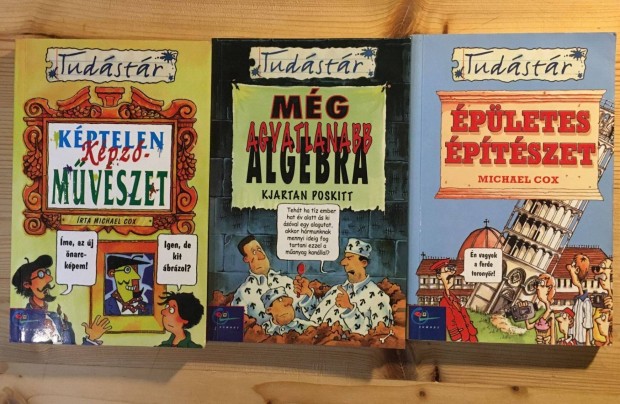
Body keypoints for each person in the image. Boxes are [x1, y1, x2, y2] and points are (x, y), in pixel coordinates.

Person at [294, 238, 393, 335]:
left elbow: (378, 336)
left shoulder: (378, 298)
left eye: (349, 258)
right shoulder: (336, 290)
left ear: (363, 263)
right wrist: (308, 294)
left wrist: (349, 309)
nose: (343, 263)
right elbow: (316, 317)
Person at [11, 254, 111, 345]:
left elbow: (73, 354)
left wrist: (91, 338)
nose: (50, 278)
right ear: (27, 284)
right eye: (41, 275)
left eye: (47, 272)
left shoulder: (59, 318)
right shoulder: (21, 320)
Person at [231, 235, 303, 326]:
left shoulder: (287, 281)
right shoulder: (243, 293)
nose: (261, 256)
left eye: (259, 250)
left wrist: (307, 295)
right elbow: (236, 325)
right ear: (246, 259)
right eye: (254, 252)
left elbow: (309, 314)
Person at [433, 258, 478, 342]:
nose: (450, 274)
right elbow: (450, 323)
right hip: (463, 338)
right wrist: (457, 339)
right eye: (446, 271)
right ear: (439, 276)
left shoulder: (454, 298)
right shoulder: (444, 302)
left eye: (451, 271)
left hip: (471, 334)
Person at [520, 273, 555, 345]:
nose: (538, 288)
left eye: (542, 285)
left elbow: (553, 338)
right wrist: (525, 313)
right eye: (537, 285)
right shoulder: (543, 313)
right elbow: (529, 327)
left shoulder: (551, 314)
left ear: (549, 288)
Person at [566, 253, 593, 345]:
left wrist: (587, 343)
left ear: (577, 270)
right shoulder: (578, 300)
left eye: (572, 267)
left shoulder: (586, 302)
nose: (570, 269)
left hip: (582, 341)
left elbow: (588, 323)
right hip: (574, 339)